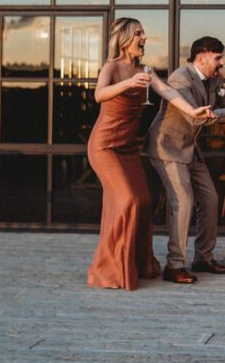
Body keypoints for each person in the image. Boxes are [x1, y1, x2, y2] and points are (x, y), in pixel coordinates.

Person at [87, 18, 213, 291]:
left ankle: (136, 263)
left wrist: (192, 111)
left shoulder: (145, 70)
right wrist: (129, 83)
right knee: (127, 200)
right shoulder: (112, 67)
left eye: (144, 33)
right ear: (124, 39)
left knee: (143, 201)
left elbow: (167, 90)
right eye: (139, 34)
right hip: (105, 145)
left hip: (128, 146)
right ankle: (109, 268)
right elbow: (99, 94)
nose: (144, 37)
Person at [145, 36, 225, 284]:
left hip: (190, 148)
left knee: (210, 199)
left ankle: (203, 257)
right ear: (201, 58)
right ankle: (174, 266)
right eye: (217, 58)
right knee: (183, 202)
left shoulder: (214, 79)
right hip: (167, 147)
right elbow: (195, 118)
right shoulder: (179, 78)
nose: (222, 63)